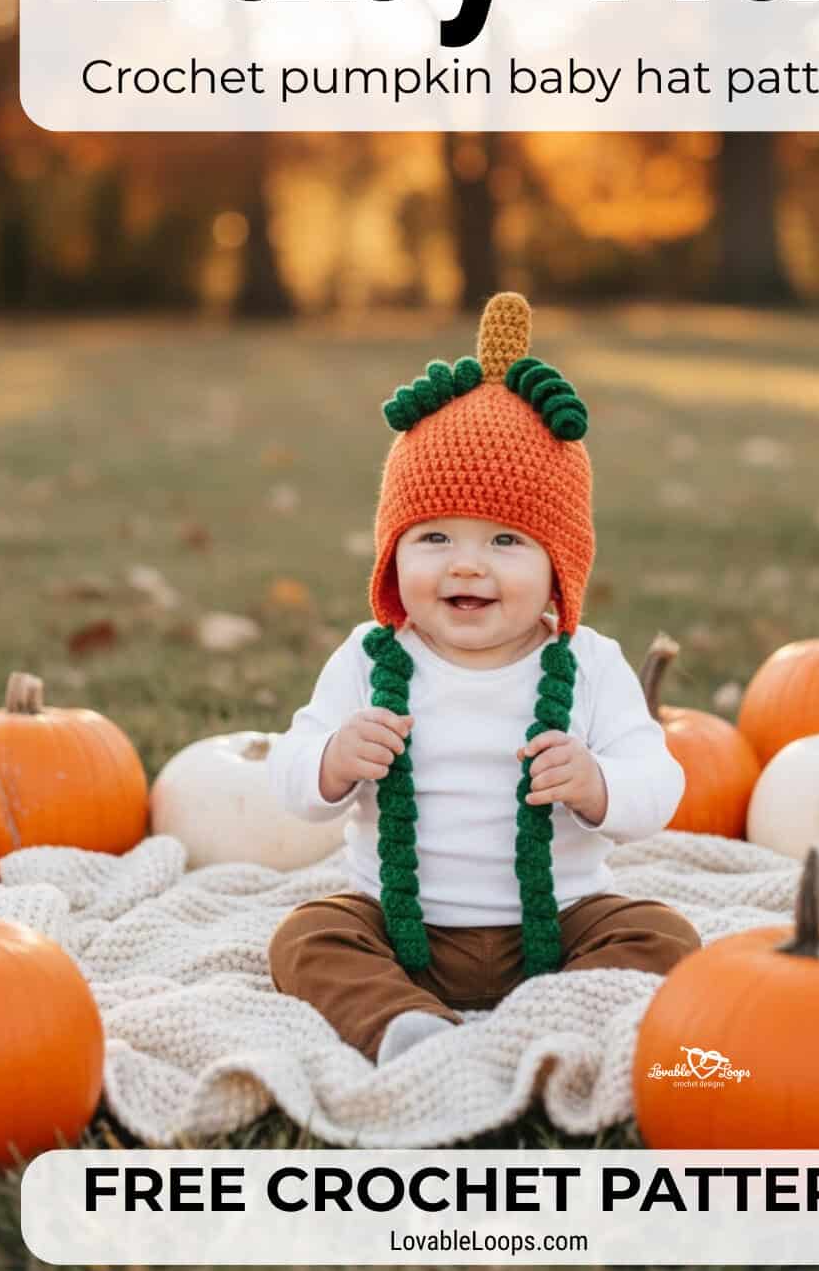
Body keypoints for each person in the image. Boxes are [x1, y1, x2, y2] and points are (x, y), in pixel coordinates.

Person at [267, 292, 700, 1065]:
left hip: (564, 920)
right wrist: (333, 760)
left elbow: (656, 786)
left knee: (665, 937)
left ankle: (550, 1023)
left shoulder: (590, 666)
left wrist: (596, 782)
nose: (466, 564)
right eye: (433, 537)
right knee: (307, 937)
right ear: (393, 556)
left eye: (505, 540)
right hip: (398, 926)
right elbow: (291, 777)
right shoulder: (370, 660)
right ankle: (403, 1023)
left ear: (559, 564)